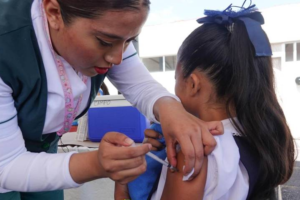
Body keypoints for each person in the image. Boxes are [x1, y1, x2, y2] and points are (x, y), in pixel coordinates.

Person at [0, 0, 223, 199]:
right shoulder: (6, 46)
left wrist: (170, 109)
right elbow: (7, 166)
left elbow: (140, 84)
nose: (117, 58)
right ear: (54, 12)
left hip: (43, 148)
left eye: (129, 42)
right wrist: (94, 163)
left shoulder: (112, 31)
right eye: (105, 42)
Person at [115, 3, 295, 200]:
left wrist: (123, 185)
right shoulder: (257, 136)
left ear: (193, 84)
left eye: (177, 78)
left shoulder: (194, 150)